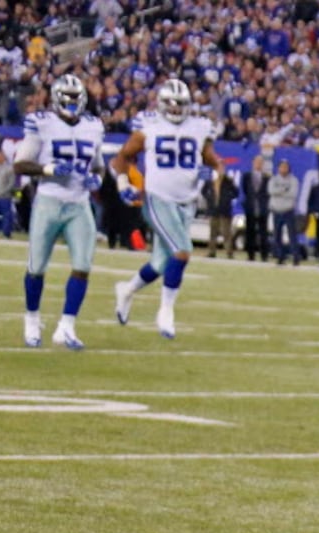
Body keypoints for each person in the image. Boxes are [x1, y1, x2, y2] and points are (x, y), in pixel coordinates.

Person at [111, 78, 221, 339]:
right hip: (158, 198)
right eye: (171, 104)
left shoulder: (200, 127)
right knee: (182, 252)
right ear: (161, 104)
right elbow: (123, 156)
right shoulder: (148, 126)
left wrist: (214, 177)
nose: (175, 109)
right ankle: (166, 311)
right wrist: (123, 182)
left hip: (186, 202)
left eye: (180, 104)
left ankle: (126, 290)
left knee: (161, 263)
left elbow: (215, 163)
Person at [10, 74, 104, 349]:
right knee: (36, 267)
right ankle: (31, 318)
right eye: (69, 99)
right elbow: (20, 164)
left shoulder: (93, 126)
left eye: (77, 99)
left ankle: (66, 326)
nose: (73, 104)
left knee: (83, 266)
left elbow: (98, 165)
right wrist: (47, 170)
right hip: (49, 201)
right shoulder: (42, 123)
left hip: (79, 202)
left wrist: (97, 178)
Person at [268, 159, 300, 264]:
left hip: (288, 210)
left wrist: (279, 192)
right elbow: (270, 191)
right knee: (277, 235)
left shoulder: (293, 180)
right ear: (278, 168)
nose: (283, 169)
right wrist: (284, 190)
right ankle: (280, 256)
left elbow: (293, 194)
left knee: (292, 235)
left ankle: (295, 257)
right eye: (282, 166)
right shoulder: (273, 179)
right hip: (276, 210)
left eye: (285, 167)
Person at [205, 165, 237, 257]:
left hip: (224, 210)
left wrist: (227, 199)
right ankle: (212, 251)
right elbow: (204, 191)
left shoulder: (228, 181)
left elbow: (235, 192)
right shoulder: (211, 181)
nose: (220, 171)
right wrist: (210, 199)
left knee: (226, 232)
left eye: (221, 169)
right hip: (214, 210)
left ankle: (229, 252)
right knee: (213, 232)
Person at [242, 155, 269, 262]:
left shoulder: (267, 177)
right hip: (250, 207)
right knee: (250, 232)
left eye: (260, 162)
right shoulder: (247, 176)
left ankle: (264, 255)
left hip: (262, 208)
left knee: (263, 233)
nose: (258, 164)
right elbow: (245, 190)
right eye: (256, 162)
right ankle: (251, 254)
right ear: (253, 163)